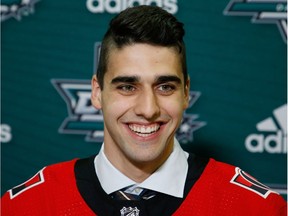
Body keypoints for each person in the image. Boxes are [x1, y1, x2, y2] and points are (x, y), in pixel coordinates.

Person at [1, 5, 287, 216]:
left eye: (165, 87)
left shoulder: (254, 207)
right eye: (127, 86)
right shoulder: (27, 206)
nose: (148, 109)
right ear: (97, 92)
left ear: (186, 93)